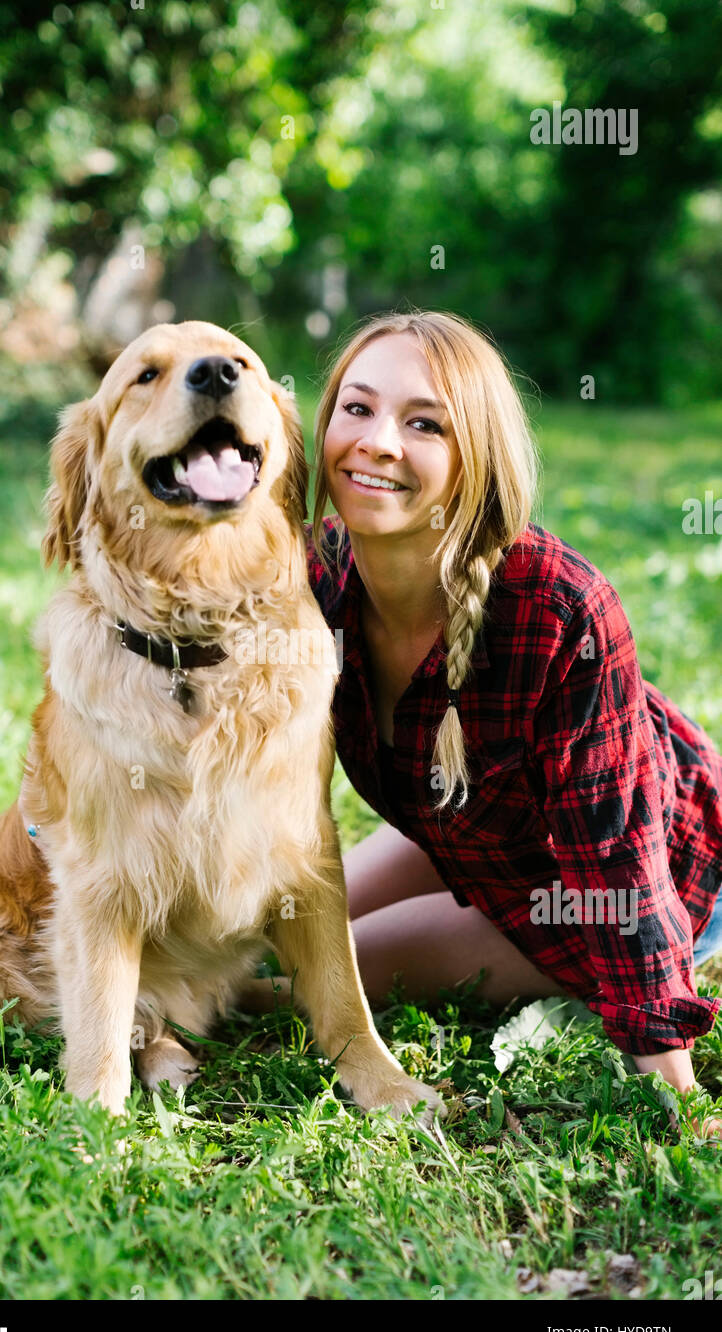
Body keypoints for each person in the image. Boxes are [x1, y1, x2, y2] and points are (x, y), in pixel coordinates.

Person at [240, 308, 722, 1137]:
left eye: (424, 422)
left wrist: (677, 1095)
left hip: (615, 887)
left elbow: (617, 870)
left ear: (477, 461)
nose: (378, 441)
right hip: (466, 836)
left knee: (293, 988)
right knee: (262, 931)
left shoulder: (559, 609)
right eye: (356, 409)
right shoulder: (312, 582)